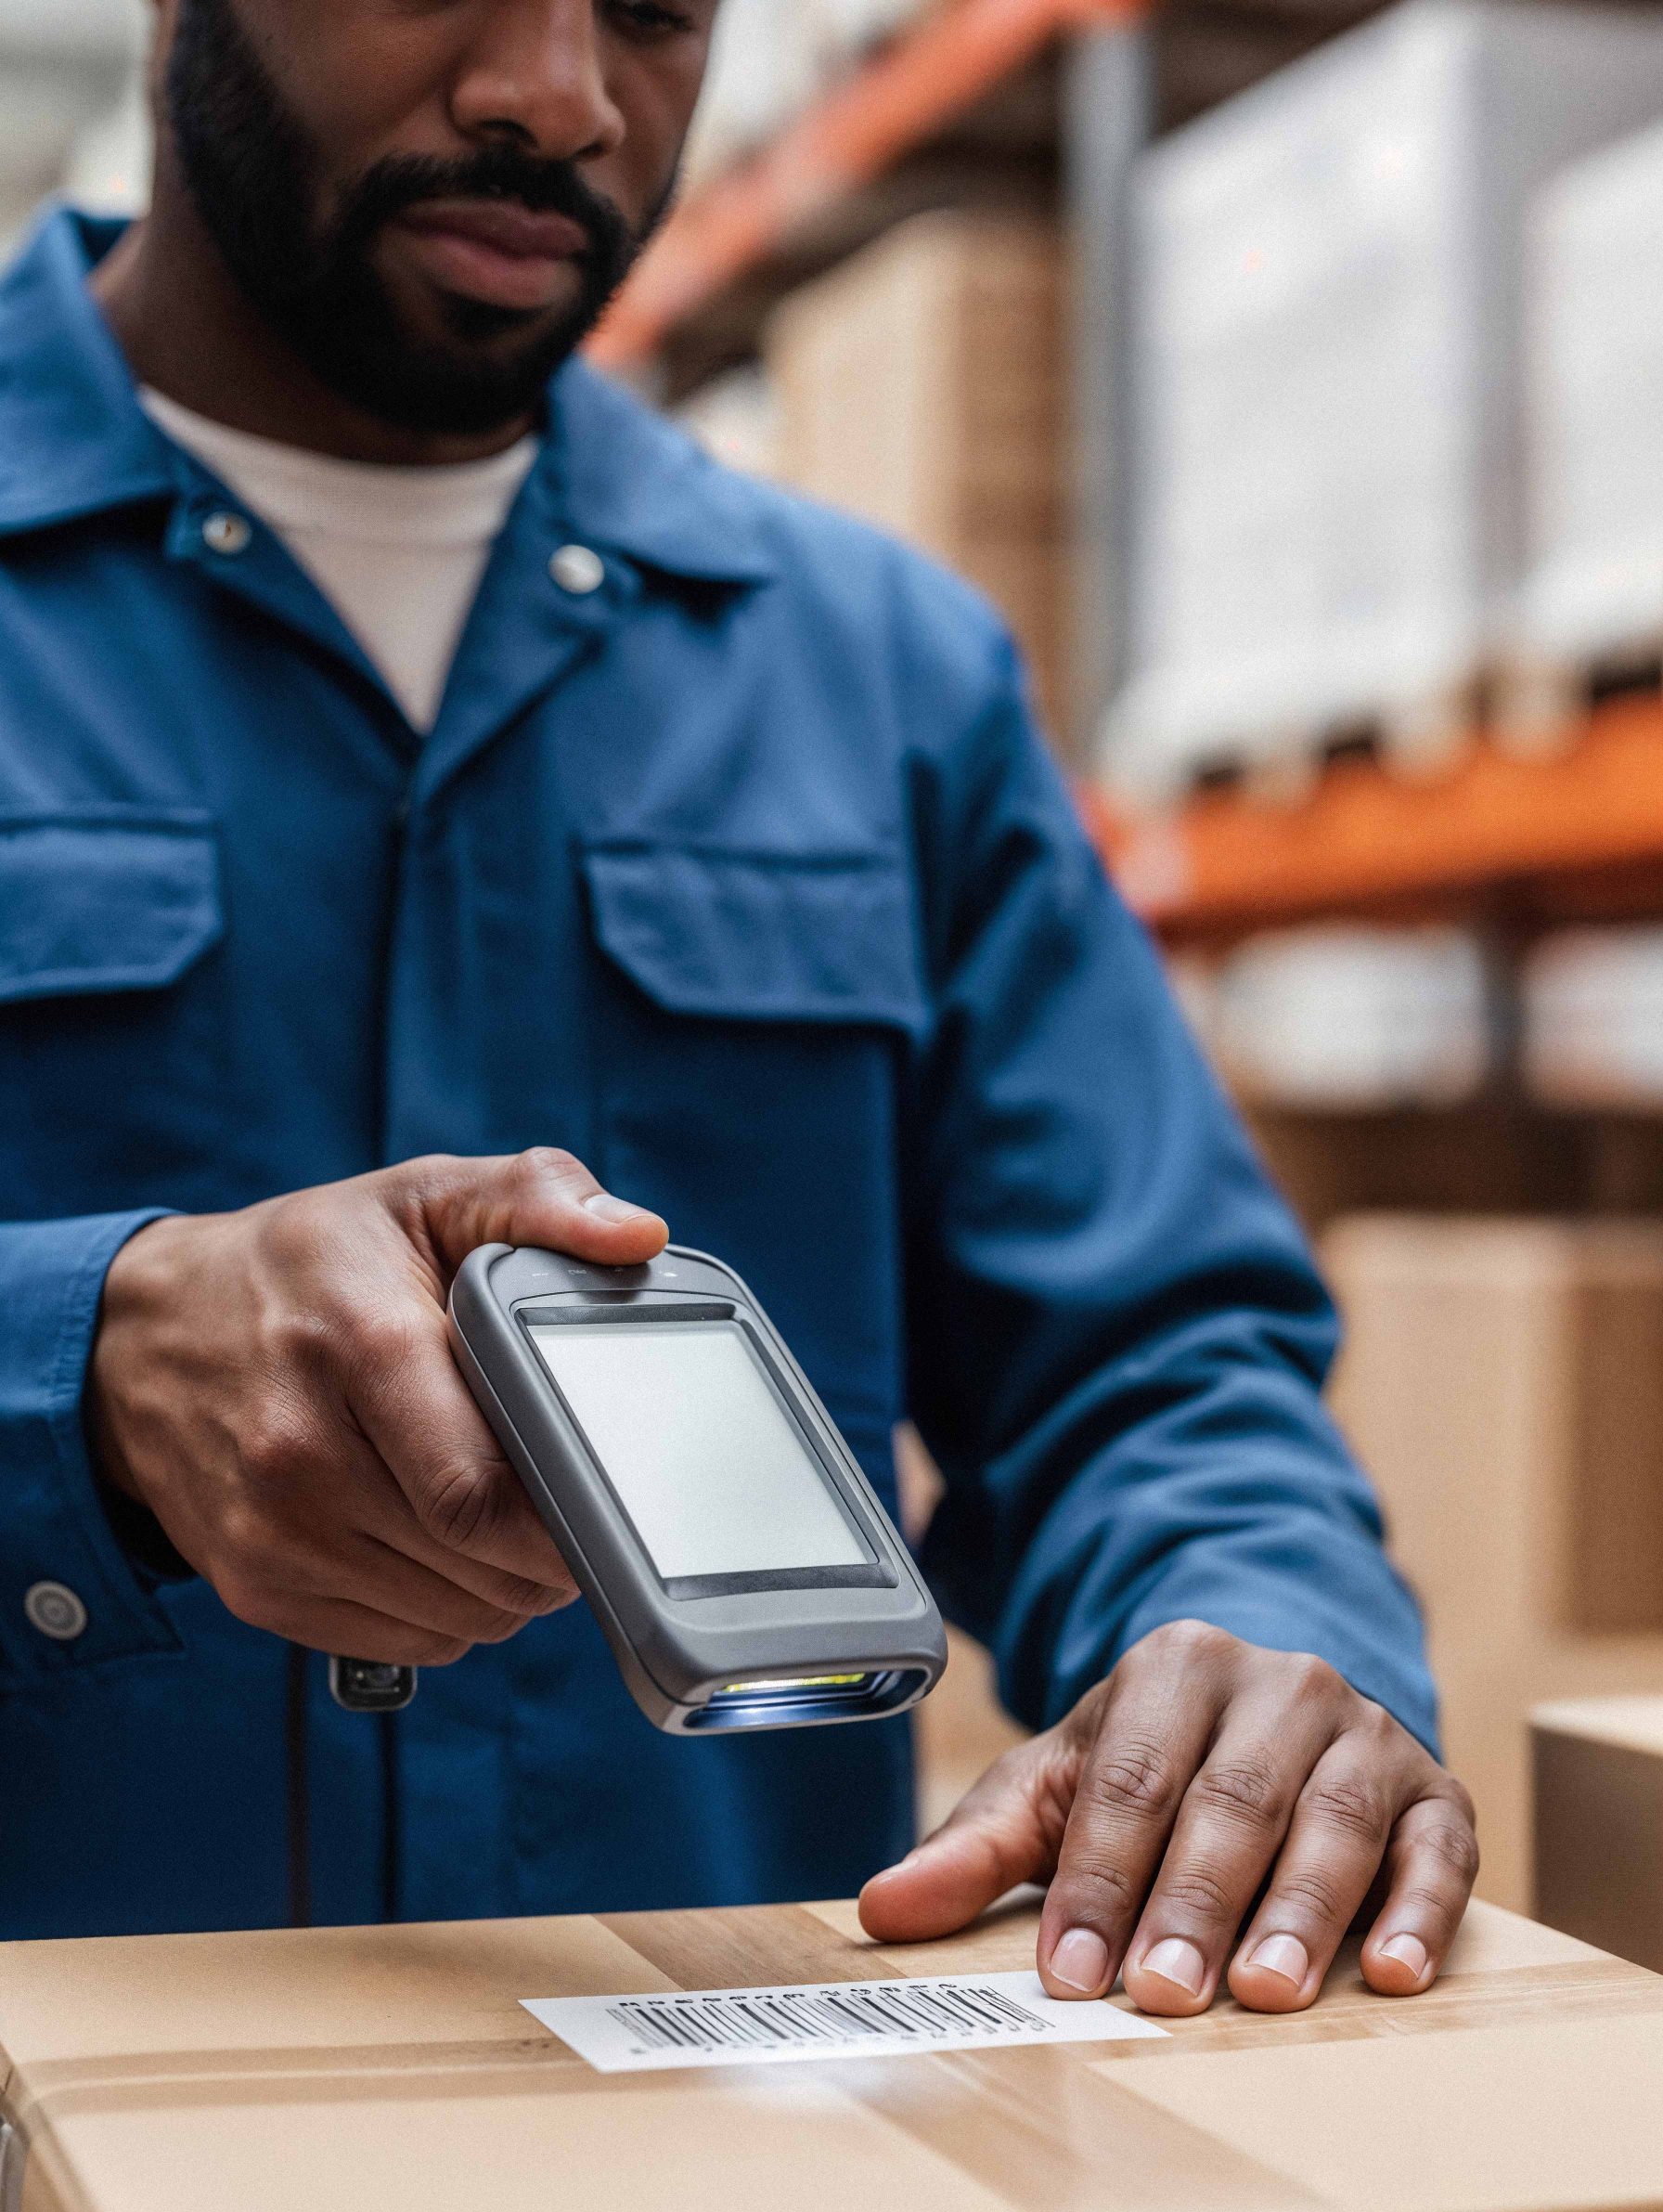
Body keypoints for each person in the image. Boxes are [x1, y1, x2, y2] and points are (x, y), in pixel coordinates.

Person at [0, 0, 1476, 2016]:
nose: (558, 96)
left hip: (732, 2145)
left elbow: (1151, 1363)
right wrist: (71, 1382)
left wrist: (1260, 1638)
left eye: (656, 12)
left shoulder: (884, 672)